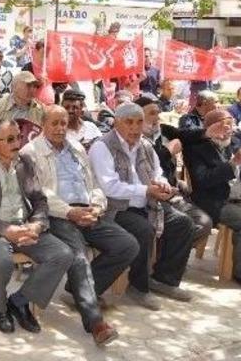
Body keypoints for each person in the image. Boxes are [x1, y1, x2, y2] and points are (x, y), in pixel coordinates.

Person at [19, 107, 137, 345]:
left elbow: (93, 183)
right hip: (57, 214)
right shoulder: (30, 152)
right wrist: (70, 212)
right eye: (54, 123)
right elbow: (38, 195)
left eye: (63, 123)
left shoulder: (76, 147)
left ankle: (79, 287)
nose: (60, 128)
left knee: (127, 245)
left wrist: (96, 206)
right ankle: (96, 323)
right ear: (43, 124)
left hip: (87, 210)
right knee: (79, 257)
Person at [0, 119, 74, 335]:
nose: (17, 143)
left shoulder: (25, 162)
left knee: (62, 254)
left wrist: (37, 224)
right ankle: (0, 307)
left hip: (24, 225)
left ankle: (20, 301)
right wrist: (5, 230)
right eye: (10, 139)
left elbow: (39, 199)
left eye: (19, 137)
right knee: (1, 259)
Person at [89, 103, 196, 311]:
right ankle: (138, 287)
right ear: (116, 123)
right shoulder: (102, 146)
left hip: (149, 202)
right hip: (116, 208)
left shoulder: (145, 145)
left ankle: (165, 279)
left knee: (184, 224)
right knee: (143, 229)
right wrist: (146, 190)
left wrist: (162, 183)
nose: (135, 127)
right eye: (129, 122)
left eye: (139, 122)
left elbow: (157, 172)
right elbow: (109, 187)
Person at [184, 109, 241, 292]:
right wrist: (233, 164)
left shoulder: (234, 144)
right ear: (210, 128)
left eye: (230, 125)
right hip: (215, 202)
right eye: (222, 125)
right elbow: (203, 181)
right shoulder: (197, 149)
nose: (228, 129)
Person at [136, 94, 214, 245]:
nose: (157, 117)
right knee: (182, 225)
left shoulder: (162, 130)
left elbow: (183, 135)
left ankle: (171, 254)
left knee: (203, 223)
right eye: (152, 113)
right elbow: (146, 163)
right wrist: (168, 151)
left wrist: (207, 132)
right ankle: (170, 255)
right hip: (149, 197)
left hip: (173, 193)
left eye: (158, 112)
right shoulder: (132, 136)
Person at [0, 71, 45, 140]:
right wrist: (3, 135)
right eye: (28, 85)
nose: (32, 89)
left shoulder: (40, 109)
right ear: (14, 87)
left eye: (35, 86)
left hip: (29, 149)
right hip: (2, 147)